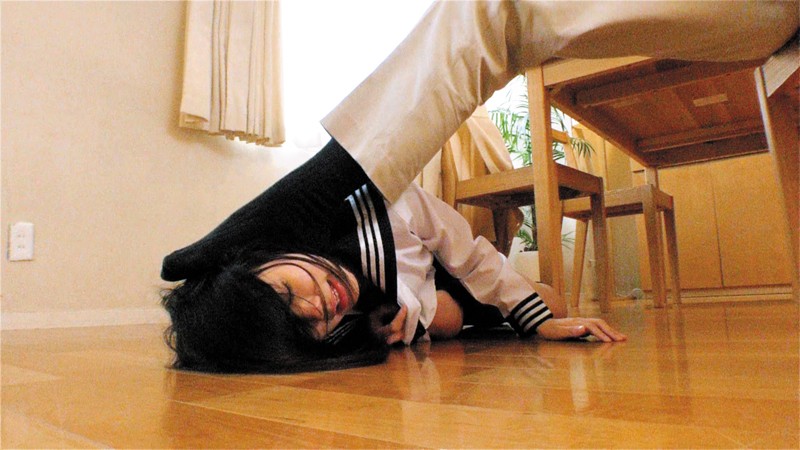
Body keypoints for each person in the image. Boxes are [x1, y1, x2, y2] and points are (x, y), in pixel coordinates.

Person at [161, 1, 797, 374]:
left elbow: (462, 248)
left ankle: (339, 185)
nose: (318, 305)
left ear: (257, 257)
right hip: (442, 291)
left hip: (457, 259)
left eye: (285, 292)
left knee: (524, 297)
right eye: (310, 330)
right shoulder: (359, 319)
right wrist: (416, 317)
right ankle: (462, 302)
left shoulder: (376, 213)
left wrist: (509, 311)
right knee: (521, 307)